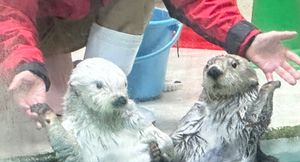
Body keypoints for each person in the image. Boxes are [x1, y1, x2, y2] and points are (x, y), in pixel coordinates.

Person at [1, 0, 300, 121]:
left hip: (77, 14)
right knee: (32, 104)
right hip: (24, 22)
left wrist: (245, 37)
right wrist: (25, 64)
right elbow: (9, 14)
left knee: (75, 112)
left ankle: (103, 108)